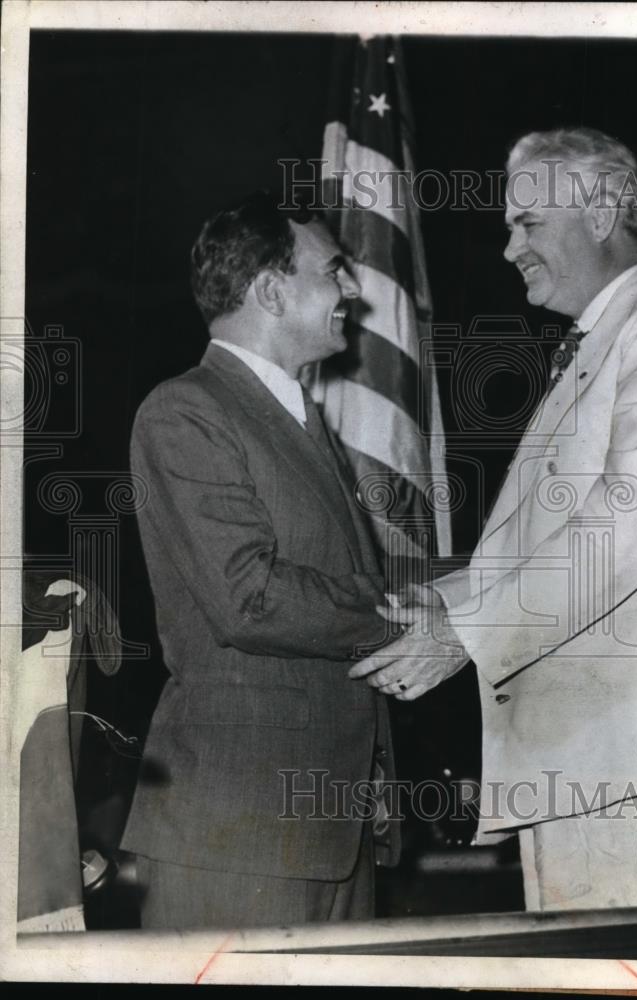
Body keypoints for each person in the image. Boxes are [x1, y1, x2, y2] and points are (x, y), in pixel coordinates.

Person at [349, 127, 637, 910]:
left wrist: (465, 632)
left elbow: (621, 529)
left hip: (628, 765)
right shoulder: (597, 345)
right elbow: (550, 541)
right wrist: (445, 601)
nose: (508, 249)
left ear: (601, 212)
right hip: (575, 765)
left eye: (527, 224)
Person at [120, 193, 398, 929]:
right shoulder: (185, 411)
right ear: (272, 290)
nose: (352, 291)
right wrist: (398, 618)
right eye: (335, 271)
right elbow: (250, 596)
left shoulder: (297, 417)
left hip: (332, 830)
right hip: (239, 834)